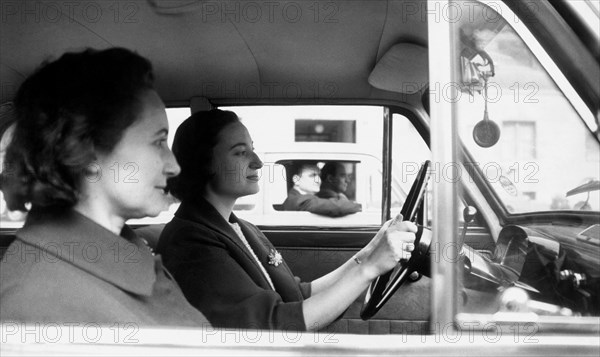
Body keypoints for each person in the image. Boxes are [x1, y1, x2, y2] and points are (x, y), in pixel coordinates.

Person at [0, 48, 210, 327]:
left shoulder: (117, 252)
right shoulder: (37, 302)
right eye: (158, 141)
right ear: (86, 153)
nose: (174, 166)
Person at [156, 109, 417, 331]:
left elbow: (299, 294)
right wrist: (368, 269)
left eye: (253, 150)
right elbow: (274, 324)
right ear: (204, 163)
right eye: (240, 153)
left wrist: (370, 251)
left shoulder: (241, 228)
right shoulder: (190, 241)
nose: (257, 162)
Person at [282, 162, 361, 217]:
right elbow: (337, 207)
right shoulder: (300, 200)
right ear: (296, 180)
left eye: (319, 175)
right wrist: (360, 206)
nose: (318, 180)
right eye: (312, 175)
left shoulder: (296, 197)